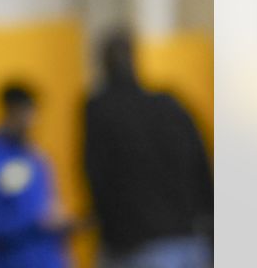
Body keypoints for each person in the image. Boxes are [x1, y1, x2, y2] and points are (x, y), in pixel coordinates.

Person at [84, 30, 213, 268]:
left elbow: (97, 178)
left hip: (136, 246)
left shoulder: (100, 110)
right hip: (190, 242)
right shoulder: (170, 105)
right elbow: (202, 168)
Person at [0, 83, 80, 268]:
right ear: (12, 111)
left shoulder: (36, 158)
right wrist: (34, 223)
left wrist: (65, 225)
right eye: (27, 114)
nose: (32, 122)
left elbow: (50, 210)